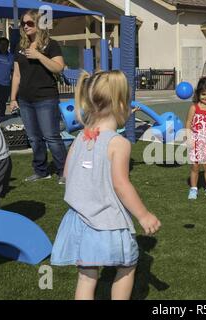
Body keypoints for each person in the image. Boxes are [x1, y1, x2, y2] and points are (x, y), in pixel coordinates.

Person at [50, 70, 161, 300]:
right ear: (122, 104)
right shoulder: (118, 143)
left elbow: (67, 174)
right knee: (127, 266)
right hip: (107, 221)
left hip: (79, 222)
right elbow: (121, 184)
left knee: (86, 277)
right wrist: (143, 215)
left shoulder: (80, 137)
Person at [9, 10, 67, 184]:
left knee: (51, 137)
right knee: (34, 138)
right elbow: (17, 75)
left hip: (46, 97)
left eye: (30, 23)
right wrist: (13, 99)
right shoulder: (20, 46)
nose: (25, 26)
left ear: (38, 24)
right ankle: (41, 171)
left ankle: (64, 171)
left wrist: (39, 55)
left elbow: (59, 68)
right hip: (25, 100)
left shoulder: (51, 45)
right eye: (23, 24)